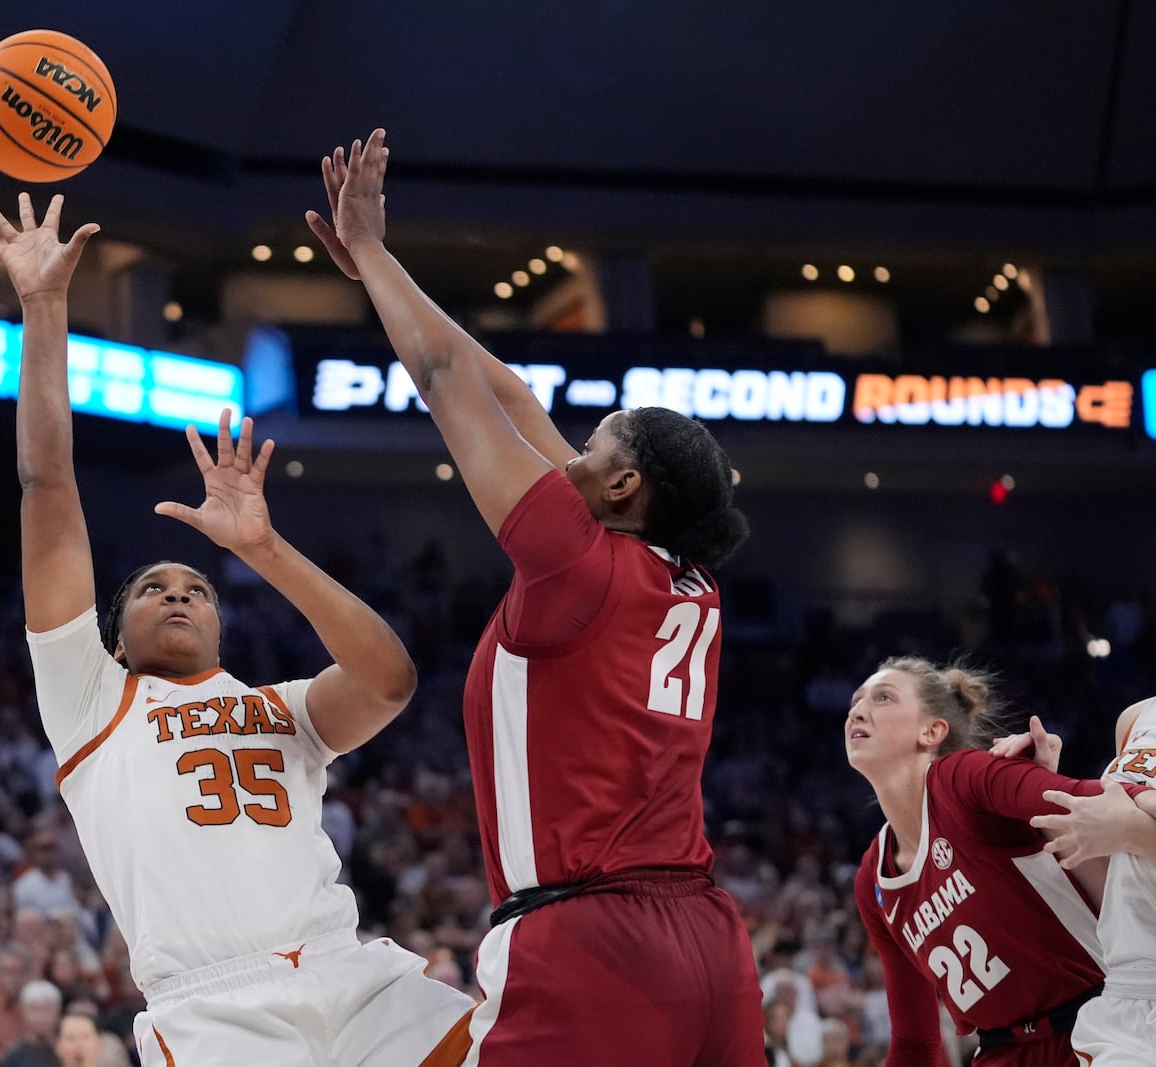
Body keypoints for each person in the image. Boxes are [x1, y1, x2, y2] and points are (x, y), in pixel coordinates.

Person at [0, 192, 473, 1066]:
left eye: (196, 586)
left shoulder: (283, 709)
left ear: (220, 624)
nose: (177, 594)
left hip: (353, 975)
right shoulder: (93, 698)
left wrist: (266, 549)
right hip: (217, 1007)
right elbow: (46, 484)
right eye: (153, 587)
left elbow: (389, 678)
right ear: (111, 635)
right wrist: (45, 308)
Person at [306, 130, 764, 1064]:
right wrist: (376, 273)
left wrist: (379, 254)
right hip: (709, 938)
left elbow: (451, 386)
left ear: (624, 485)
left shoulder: (575, 563)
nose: (572, 451)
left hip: (594, 943)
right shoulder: (687, 578)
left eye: (593, 444)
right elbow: (509, 394)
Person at [843, 658, 1156, 1065]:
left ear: (932, 730)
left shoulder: (964, 778)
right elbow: (916, 1042)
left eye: (882, 698)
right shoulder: (873, 878)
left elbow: (1097, 801)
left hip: (1094, 1026)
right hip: (998, 1052)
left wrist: (1130, 801)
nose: (858, 710)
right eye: (855, 700)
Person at [996, 698, 1156, 1065]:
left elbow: (1129, 834)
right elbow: (1119, 876)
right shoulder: (1135, 718)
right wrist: (1046, 797)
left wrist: (1134, 831)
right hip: (1128, 994)